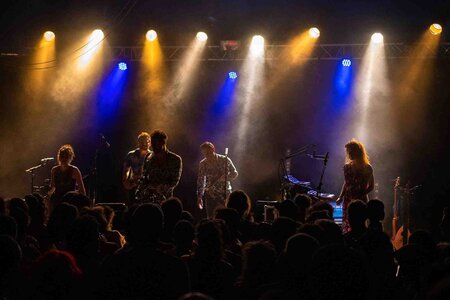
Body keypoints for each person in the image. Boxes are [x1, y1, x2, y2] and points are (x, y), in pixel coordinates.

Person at [336, 139, 374, 233]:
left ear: (358, 152)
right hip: (347, 200)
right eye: (348, 152)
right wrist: (340, 197)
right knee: (347, 224)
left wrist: (360, 194)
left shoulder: (367, 168)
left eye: (351, 152)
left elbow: (371, 186)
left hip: (360, 201)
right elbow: (346, 183)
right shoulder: (347, 167)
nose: (349, 154)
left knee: (360, 225)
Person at [136, 130, 182, 203]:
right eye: (152, 144)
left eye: (155, 144)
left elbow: (174, 181)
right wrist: (140, 191)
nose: (153, 147)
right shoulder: (148, 157)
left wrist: (158, 188)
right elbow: (144, 177)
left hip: (165, 201)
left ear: (163, 143)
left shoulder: (175, 159)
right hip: (147, 200)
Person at [197, 142, 238, 218]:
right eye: (205, 154)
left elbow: (235, 173)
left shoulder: (225, 160)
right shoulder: (203, 164)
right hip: (210, 195)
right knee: (211, 218)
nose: (207, 156)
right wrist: (199, 196)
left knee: (226, 217)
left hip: (224, 194)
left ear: (213, 150)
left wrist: (226, 178)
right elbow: (200, 180)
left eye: (208, 153)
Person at [49, 144, 86, 210]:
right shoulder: (54, 170)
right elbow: (52, 187)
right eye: (62, 156)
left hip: (70, 202)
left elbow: (82, 191)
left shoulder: (74, 170)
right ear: (59, 157)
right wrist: (47, 196)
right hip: (57, 202)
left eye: (66, 157)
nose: (64, 159)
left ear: (70, 157)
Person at [123, 132, 151, 203]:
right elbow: (125, 170)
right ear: (138, 142)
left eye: (147, 142)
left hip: (147, 187)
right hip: (134, 186)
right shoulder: (131, 154)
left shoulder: (152, 156)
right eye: (142, 141)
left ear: (150, 143)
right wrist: (126, 182)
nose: (145, 144)